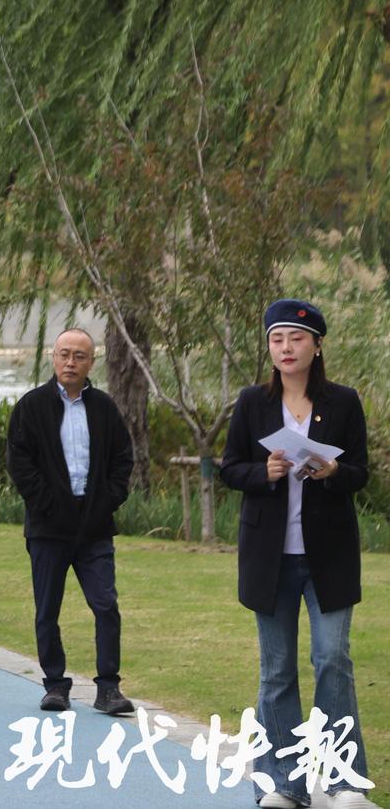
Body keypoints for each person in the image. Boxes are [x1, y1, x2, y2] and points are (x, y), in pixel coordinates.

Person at [218, 300, 374, 809]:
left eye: (296, 338)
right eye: (277, 339)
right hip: (270, 558)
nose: (286, 348)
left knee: (332, 661)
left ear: (317, 345)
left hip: (329, 556)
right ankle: (283, 784)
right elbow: (229, 467)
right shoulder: (252, 402)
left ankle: (343, 781)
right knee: (277, 671)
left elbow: (361, 473)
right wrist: (260, 473)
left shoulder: (343, 402)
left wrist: (334, 472)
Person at [4, 328, 135, 716]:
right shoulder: (31, 406)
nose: (70, 362)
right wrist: (49, 505)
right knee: (47, 610)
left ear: (91, 362)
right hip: (48, 527)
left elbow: (122, 460)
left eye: (79, 356)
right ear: (53, 357)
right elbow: (20, 463)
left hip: (94, 527)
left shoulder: (104, 408)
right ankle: (55, 685)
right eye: (64, 354)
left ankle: (108, 687)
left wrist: (106, 501)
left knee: (106, 605)